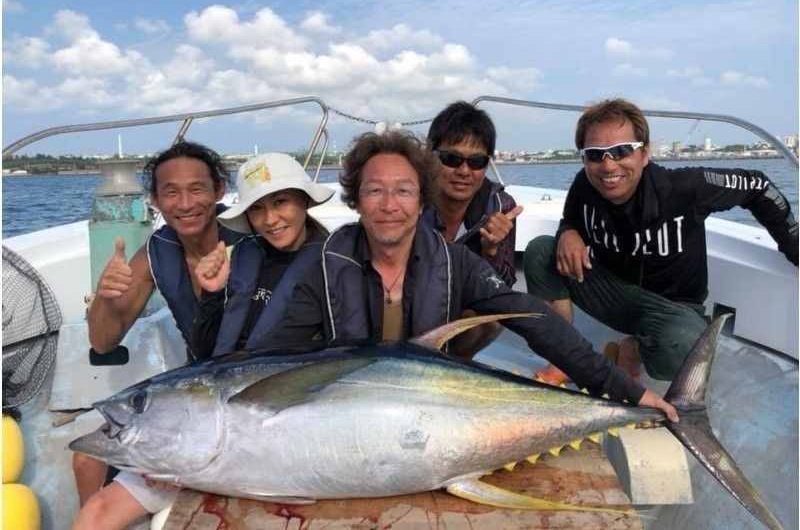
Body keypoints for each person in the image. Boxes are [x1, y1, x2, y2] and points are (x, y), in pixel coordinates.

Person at [265, 129, 678, 422]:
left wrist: (627, 390)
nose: (389, 205)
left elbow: (533, 319)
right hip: (349, 413)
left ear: (422, 198)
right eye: (375, 191)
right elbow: (275, 355)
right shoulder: (324, 264)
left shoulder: (455, 262)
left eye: (404, 191)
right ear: (356, 200)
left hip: (433, 410)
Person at [524, 98, 798, 384]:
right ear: (584, 159)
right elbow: (572, 215)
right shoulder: (586, 183)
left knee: (686, 355)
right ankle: (567, 358)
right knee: (541, 251)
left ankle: (633, 350)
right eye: (595, 154)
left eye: (621, 151)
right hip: (615, 293)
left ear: (644, 153)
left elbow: (758, 186)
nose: (607, 165)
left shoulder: (684, 189)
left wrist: (795, 246)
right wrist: (568, 231)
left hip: (673, 308)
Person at [74, 141, 245, 530]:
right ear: (154, 199)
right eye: (171, 192)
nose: (185, 203)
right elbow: (102, 342)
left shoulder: (250, 239)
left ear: (219, 190)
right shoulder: (158, 249)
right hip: (194, 393)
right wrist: (104, 296)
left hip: (245, 393)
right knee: (85, 459)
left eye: (197, 189)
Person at [192, 152, 334, 356]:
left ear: (305, 200)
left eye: (280, 202)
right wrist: (212, 293)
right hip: (227, 377)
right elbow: (203, 351)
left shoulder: (333, 264)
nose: (270, 219)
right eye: (256, 208)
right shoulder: (235, 258)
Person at [421, 101, 523, 358]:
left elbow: (503, 288)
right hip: (410, 299)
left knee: (492, 318)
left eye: (476, 162)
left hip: (458, 304)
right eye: (451, 159)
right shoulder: (410, 198)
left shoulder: (500, 206)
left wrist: (492, 251)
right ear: (430, 156)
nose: (464, 171)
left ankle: (453, 365)